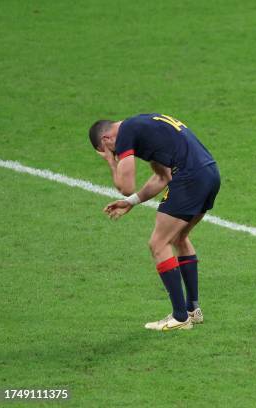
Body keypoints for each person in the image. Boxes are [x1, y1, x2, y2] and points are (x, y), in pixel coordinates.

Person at [88, 113, 220, 331]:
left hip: (189, 178)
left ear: (106, 140)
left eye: (109, 151)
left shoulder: (126, 133)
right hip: (209, 173)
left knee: (158, 244)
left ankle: (179, 317)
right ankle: (191, 310)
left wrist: (111, 163)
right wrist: (131, 202)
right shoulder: (145, 127)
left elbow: (126, 184)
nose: (115, 153)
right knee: (178, 237)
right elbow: (163, 177)